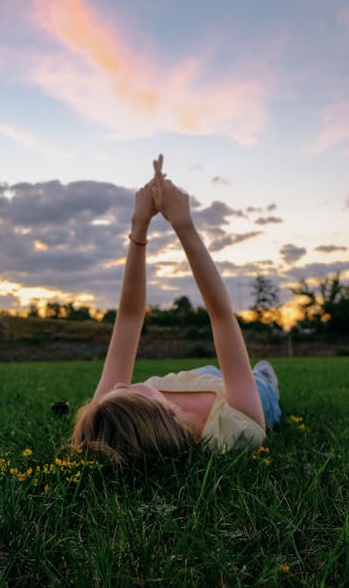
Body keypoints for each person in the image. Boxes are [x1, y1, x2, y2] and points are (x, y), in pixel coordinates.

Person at [71, 156, 281, 468]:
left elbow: (129, 318)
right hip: (250, 392)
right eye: (126, 391)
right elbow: (221, 315)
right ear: (158, 413)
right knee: (260, 376)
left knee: (210, 372)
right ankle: (267, 377)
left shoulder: (114, 416)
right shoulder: (236, 429)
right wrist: (183, 224)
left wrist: (138, 226)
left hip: (199, 378)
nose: (116, 385)